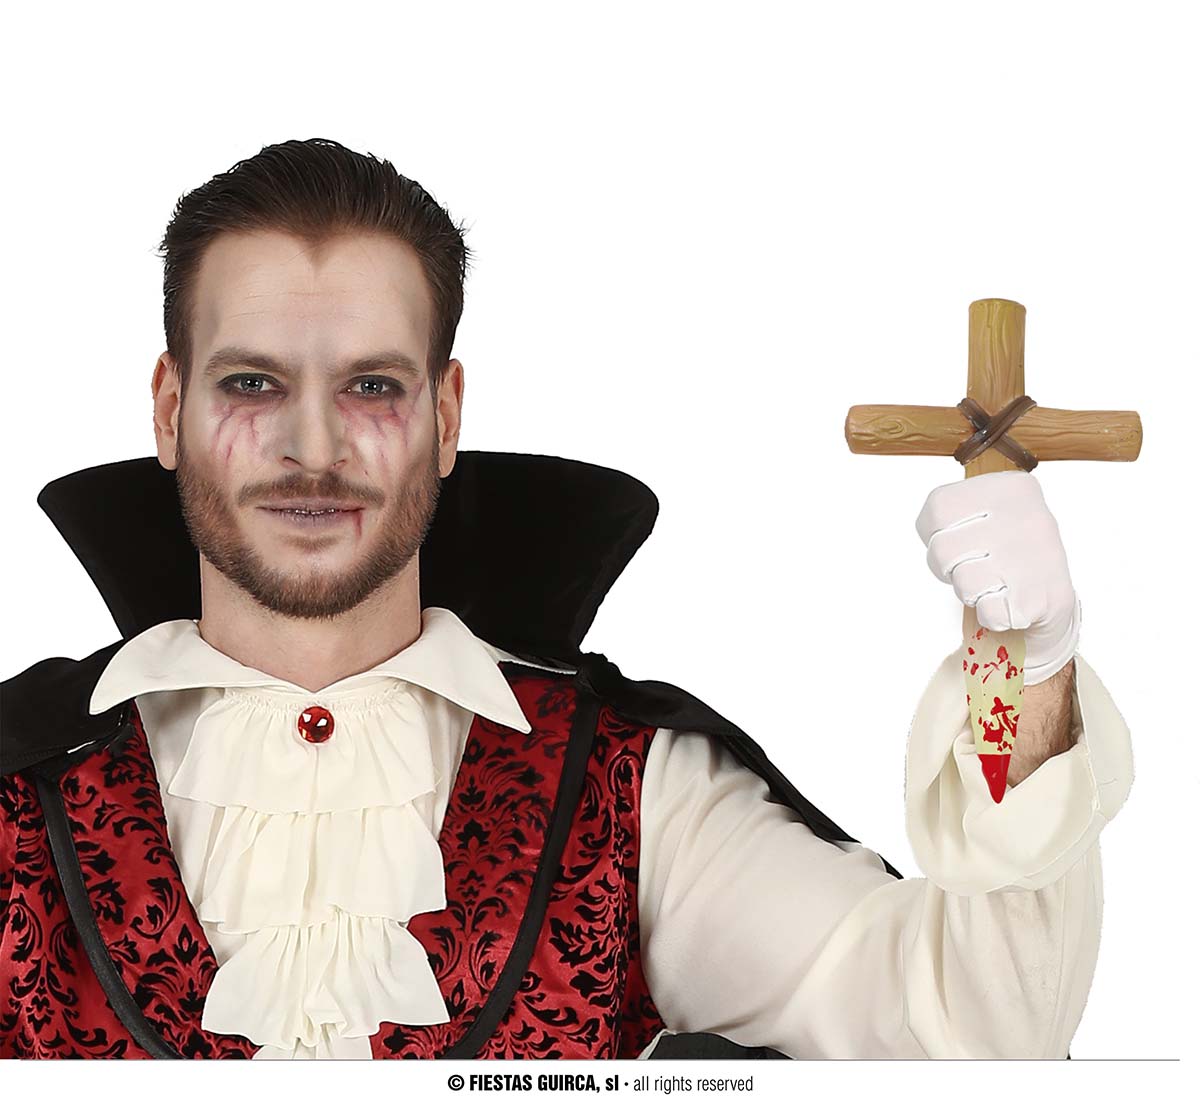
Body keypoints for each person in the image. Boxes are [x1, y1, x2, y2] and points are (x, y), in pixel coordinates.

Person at [0, 138, 1132, 1061]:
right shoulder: (12, 786)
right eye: (252, 382)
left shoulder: (632, 789)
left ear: (446, 415)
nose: (314, 446)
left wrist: (1022, 669)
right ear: (169, 407)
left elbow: (974, 1035)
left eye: (372, 386)